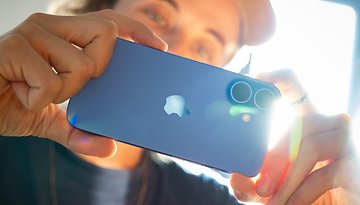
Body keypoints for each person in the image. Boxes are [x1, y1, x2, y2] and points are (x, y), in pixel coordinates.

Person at [0, 0, 358, 204]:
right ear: (100, 10)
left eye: (205, 47)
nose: (173, 50)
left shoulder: (205, 201)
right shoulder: (7, 131)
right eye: (157, 15)